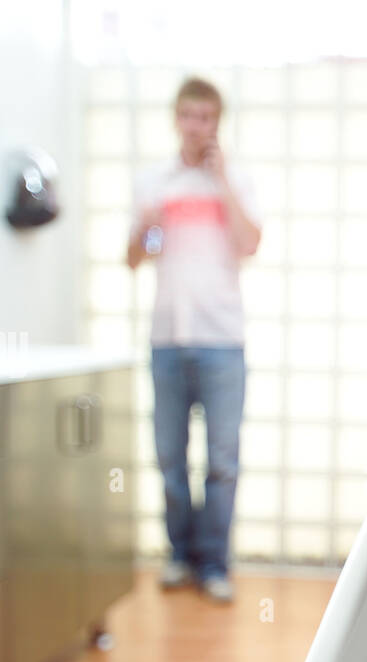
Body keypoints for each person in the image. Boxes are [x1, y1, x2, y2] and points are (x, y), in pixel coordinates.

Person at [128, 77, 262, 602]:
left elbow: (250, 244)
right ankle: (179, 556)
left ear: (218, 122)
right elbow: (137, 258)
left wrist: (222, 181)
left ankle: (214, 565)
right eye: (188, 116)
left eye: (206, 117)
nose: (196, 126)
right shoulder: (154, 183)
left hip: (222, 340)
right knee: (169, 457)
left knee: (223, 461)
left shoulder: (238, 181)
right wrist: (146, 227)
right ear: (176, 119)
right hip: (167, 339)